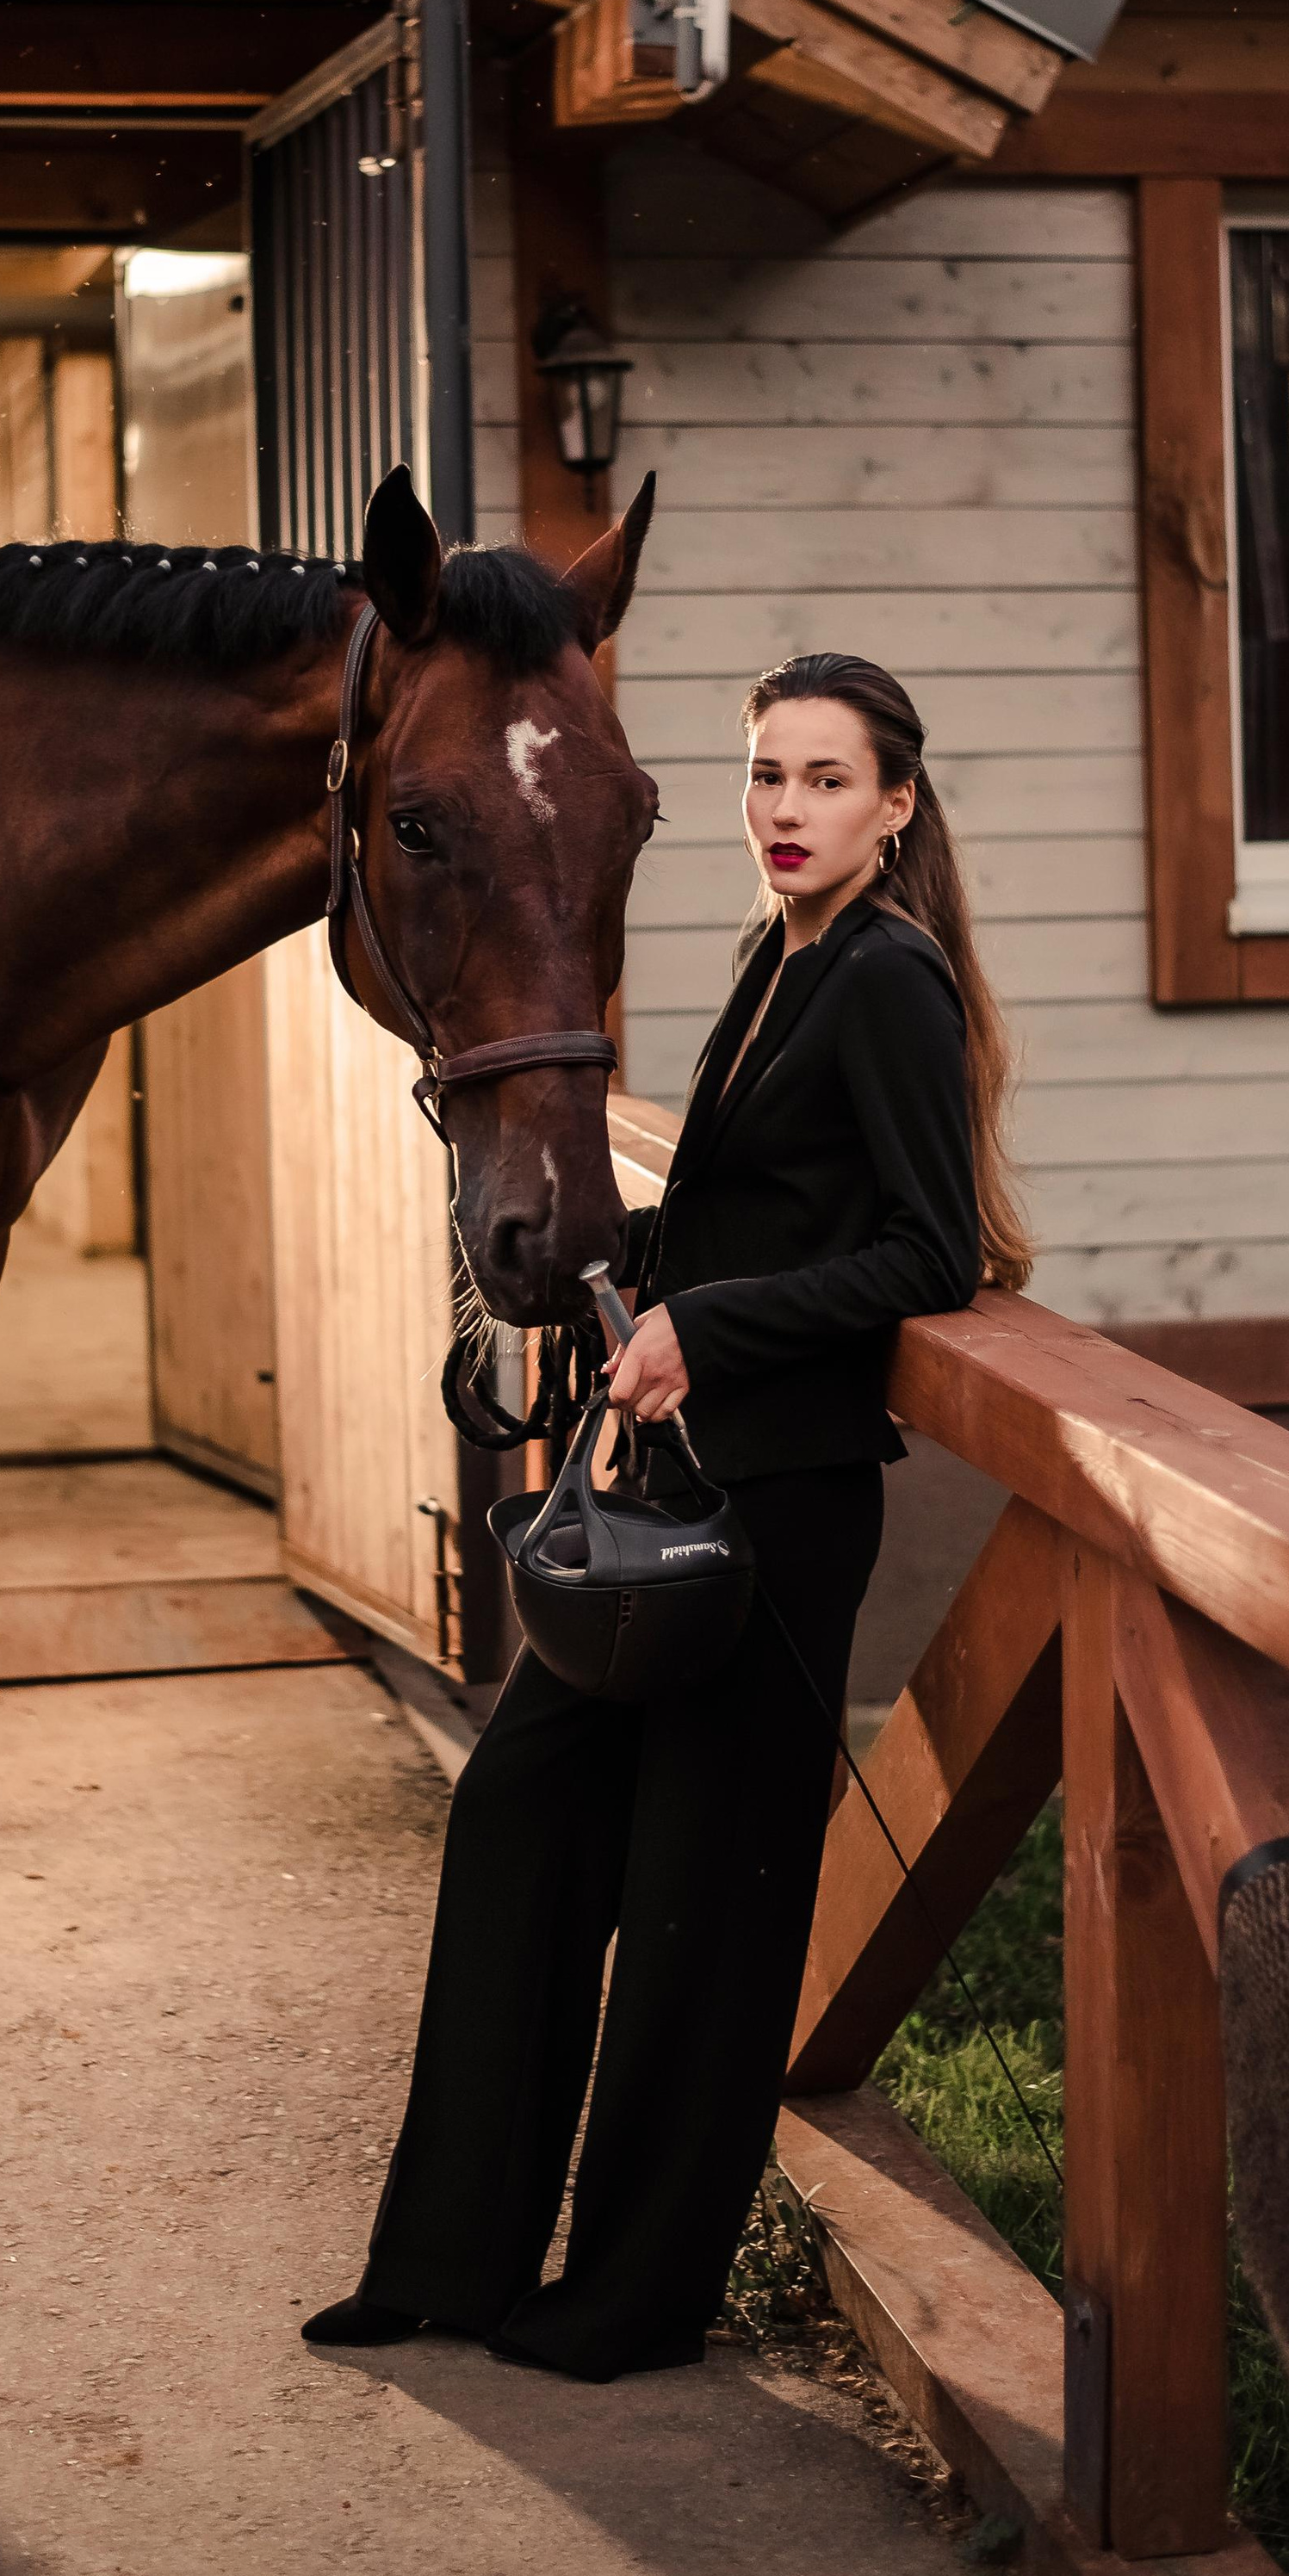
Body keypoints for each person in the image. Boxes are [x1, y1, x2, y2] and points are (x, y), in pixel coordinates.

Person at [302, 649, 1031, 2383]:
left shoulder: (887, 985)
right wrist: (612, 1264)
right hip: (687, 1491)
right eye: (766, 775)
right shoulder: (774, 963)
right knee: (518, 1827)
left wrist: (710, 1328)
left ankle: (627, 2303)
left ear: (896, 804)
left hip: (781, 1516)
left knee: (702, 1908)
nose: (783, 809)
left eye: (823, 780)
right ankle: (446, 2261)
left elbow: (928, 1253)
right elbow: (756, 1212)